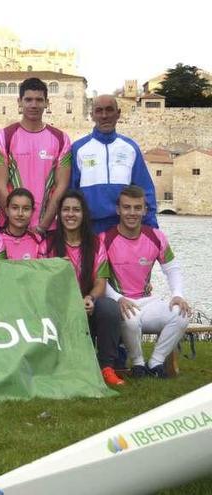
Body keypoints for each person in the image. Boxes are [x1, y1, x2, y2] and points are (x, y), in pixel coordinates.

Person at [103, 186, 190, 378]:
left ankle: (156, 363)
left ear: (145, 210)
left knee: (182, 314)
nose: (132, 213)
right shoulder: (105, 239)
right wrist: (117, 298)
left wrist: (177, 294)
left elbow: (172, 269)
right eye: (127, 207)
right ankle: (138, 364)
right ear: (118, 209)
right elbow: (99, 279)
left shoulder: (156, 236)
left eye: (137, 207)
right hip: (121, 303)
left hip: (146, 302)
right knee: (131, 319)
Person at [44, 190, 123, 386]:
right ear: (59, 214)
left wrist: (90, 299)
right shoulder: (47, 243)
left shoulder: (96, 243)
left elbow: (101, 282)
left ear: (84, 214)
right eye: (66, 210)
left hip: (86, 305)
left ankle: (106, 367)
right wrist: (55, 269)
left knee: (110, 308)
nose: (70, 214)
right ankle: (57, 366)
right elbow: (42, 280)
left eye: (76, 210)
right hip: (58, 306)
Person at [0, 77, 72, 233]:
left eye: (39, 100)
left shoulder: (62, 139)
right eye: (28, 100)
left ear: (47, 103)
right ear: (19, 101)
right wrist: (17, 225)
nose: (34, 105)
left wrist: (43, 226)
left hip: (47, 229)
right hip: (10, 229)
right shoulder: (3, 137)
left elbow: (61, 186)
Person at [71, 95, 158, 234]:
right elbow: (70, 192)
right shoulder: (78, 149)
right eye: (99, 111)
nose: (104, 115)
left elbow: (145, 191)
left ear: (118, 114)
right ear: (92, 115)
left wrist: (152, 230)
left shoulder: (130, 148)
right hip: (89, 231)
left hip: (124, 230)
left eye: (109, 110)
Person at [0, 188, 45, 260]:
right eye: (15, 208)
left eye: (26, 209)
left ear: (32, 212)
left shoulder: (38, 240)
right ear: (7, 211)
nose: (20, 213)